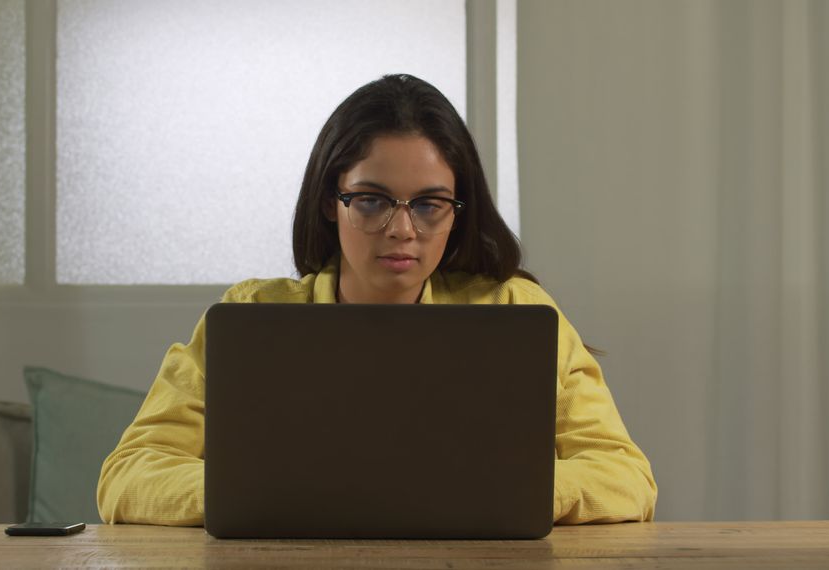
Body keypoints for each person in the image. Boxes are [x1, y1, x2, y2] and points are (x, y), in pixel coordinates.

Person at [96, 74, 657, 525]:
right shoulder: (252, 315)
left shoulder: (514, 310)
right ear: (328, 202)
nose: (401, 230)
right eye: (371, 201)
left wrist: (503, 490)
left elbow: (624, 477)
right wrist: (262, 491)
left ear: (459, 211)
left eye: (430, 204)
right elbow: (127, 476)